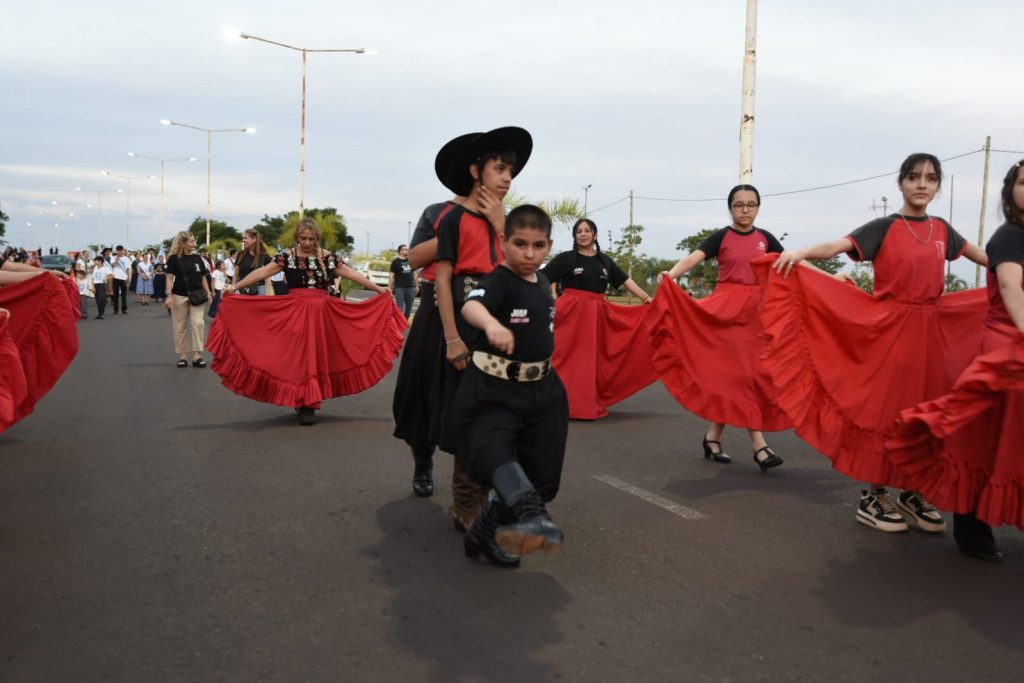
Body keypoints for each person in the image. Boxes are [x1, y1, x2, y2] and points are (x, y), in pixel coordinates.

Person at [767, 152, 989, 533]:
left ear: (938, 186)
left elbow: (987, 260)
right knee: (887, 412)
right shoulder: (884, 227)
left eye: (931, 178)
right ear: (901, 183)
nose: (922, 184)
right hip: (891, 331)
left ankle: (912, 490)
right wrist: (801, 253)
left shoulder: (943, 230)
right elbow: (836, 247)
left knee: (927, 411)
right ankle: (873, 495)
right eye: (914, 177)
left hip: (933, 332)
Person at [886, 160, 1024, 562]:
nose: (922, 184)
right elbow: (1010, 285)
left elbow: (977, 258)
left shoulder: (953, 234)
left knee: (1008, 442)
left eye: (930, 178)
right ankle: (971, 524)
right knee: (986, 440)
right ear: (1010, 191)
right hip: (1006, 348)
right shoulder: (1009, 236)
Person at [453, 204, 567, 568]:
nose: (529, 254)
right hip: (495, 390)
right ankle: (527, 513)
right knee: (496, 455)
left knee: (542, 474)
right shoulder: (500, 280)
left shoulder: (545, 281)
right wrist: (490, 325)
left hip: (544, 391)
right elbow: (472, 306)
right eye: (520, 244)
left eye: (538, 246)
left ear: (549, 245)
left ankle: (486, 532)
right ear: (503, 241)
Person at [209, 217, 405, 426]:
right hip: (295, 312)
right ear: (297, 238)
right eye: (303, 238)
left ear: (317, 238)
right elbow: (262, 272)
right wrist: (236, 287)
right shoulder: (287, 257)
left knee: (319, 356)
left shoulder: (328, 257)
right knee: (298, 357)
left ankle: (308, 403)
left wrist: (378, 289)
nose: (307, 242)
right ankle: (304, 402)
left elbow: (351, 273)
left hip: (323, 313)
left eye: (311, 238)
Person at [652, 184, 790, 471]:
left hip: (756, 317)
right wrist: (672, 274)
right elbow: (695, 256)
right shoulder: (721, 236)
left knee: (746, 378)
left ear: (758, 207)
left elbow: (792, 266)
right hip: (726, 315)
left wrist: (832, 280)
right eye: (739, 205)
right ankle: (760, 446)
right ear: (730, 208)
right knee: (744, 378)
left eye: (751, 204)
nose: (745, 210)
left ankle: (713, 437)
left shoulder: (766, 239)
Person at [434, 127, 531, 530]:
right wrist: (453, 339)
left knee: (499, 418)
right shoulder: (453, 218)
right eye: (499, 168)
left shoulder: (507, 224)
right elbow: (442, 280)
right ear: (477, 171)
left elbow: (522, 270)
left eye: (511, 171)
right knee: (472, 417)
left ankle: (484, 496)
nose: (507, 178)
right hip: (465, 327)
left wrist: (499, 225)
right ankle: (465, 503)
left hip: (502, 329)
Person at [540, 217, 657, 420]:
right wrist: (546, 299)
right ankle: (551, 403)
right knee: (563, 357)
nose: (583, 234)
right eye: (579, 231)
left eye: (587, 230)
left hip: (596, 317)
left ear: (595, 235)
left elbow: (625, 280)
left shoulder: (604, 261)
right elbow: (541, 278)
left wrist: (647, 298)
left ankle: (583, 403)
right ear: (575, 236)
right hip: (569, 315)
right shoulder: (567, 258)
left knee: (591, 361)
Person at [164, 231, 213, 368]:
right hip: (179, 295)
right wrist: (169, 296)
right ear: (183, 244)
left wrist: (209, 292)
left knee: (198, 324)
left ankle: (197, 355)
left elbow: (203, 276)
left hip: (197, 295)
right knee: (180, 326)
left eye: (194, 241)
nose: (194, 244)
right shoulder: (173, 259)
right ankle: (183, 355)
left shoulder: (198, 258)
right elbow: (169, 278)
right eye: (191, 241)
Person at [232, 229, 273, 296]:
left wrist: (267, 295)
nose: (243, 240)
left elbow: (268, 277)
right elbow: (236, 275)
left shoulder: (264, 256)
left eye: (245, 238)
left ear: (254, 239)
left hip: (259, 292)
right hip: (243, 291)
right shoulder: (240, 254)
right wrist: (232, 289)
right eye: (243, 238)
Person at [389, 244, 418, 319]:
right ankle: (399, 323)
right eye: (405, 249)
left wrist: (417, 285)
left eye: (407, 249)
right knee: (400, 308)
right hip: (399, 288)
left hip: (410, 288)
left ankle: (404, 321)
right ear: (400, 251)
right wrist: (390, 288)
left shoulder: (411, 260)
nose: (407, 250)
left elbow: (414, 273)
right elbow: (391, 276)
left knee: (409, 308)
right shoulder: (395, 262)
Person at [110, 245, 132, 314]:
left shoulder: (127, 259)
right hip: (116, 278)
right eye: (117, 251)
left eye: (120, 250)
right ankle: (115, 309)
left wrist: (128, 278)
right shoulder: (113, 257)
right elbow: (113, 265)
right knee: (115, 295)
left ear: (123, 251)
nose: (119, 252)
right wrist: (117, 258)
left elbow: (128, 269)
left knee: (124, 295)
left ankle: (124, 309)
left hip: (124, 278)